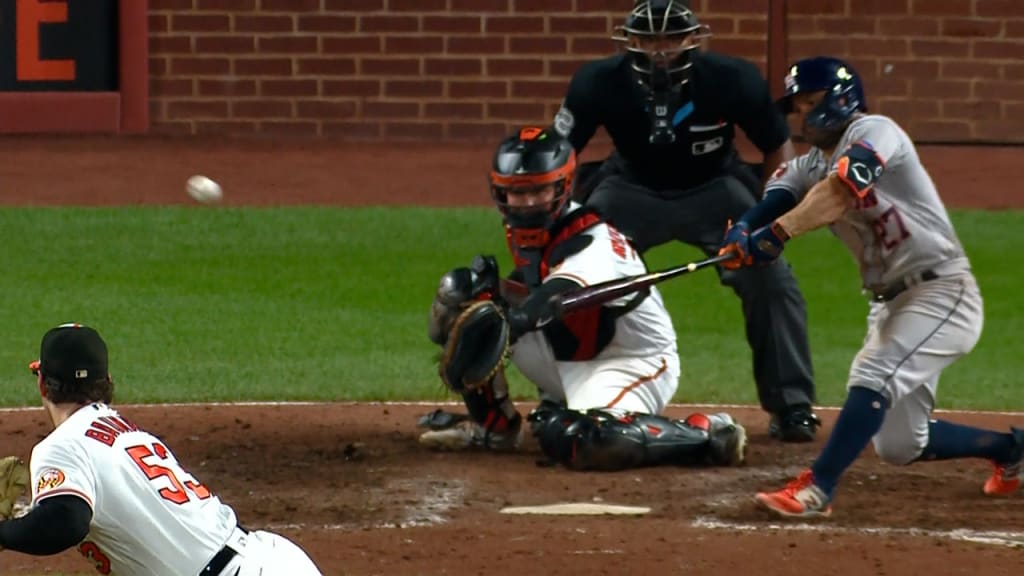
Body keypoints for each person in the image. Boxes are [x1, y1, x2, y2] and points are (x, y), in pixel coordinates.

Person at [718, 56, 1024, 518]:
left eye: (809, 104)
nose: (800, 117)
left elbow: (838, 193)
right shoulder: (806, 166)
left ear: (840, 100)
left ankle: (816, 489)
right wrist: (742, 234)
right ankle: (1012, 450)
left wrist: (776, 236)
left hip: (942, 291)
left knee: (874, 374)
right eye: (797, 108)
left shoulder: (876, 131)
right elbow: (775, 200)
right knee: (901, 444)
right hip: (891, 303)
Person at [552, 0, 819, 442]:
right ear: (629, 41)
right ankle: (563, 396)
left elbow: (778, 146)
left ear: (692, 40)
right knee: (576, 278)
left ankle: (792, 405)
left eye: (671, 38)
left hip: (715, 187)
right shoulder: (596, 82)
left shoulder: (732, 79)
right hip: (628, 187)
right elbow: (561, 156)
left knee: (771, 278)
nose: (660, 51)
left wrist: (769, 217)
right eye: (649, 39)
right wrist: (567, 229)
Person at [420, 126, 747, 472]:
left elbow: (553, 295)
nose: (528, 203)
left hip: (629, 362)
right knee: (464, 294)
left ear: (562, 187)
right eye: (517, 193)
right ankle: (496, 430)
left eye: (539, 191)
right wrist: (486, 300)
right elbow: (526, 295)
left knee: (585, 440)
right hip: (566, 351)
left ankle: (708, 434)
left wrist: (510, 321)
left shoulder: (593, 241)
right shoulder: (524, 231)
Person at [0, 323, 323, 575]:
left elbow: (65, 522)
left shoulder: (60, 446)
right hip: (275, 559)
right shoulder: (131, 435)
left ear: (42, 384)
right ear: (107, 381)